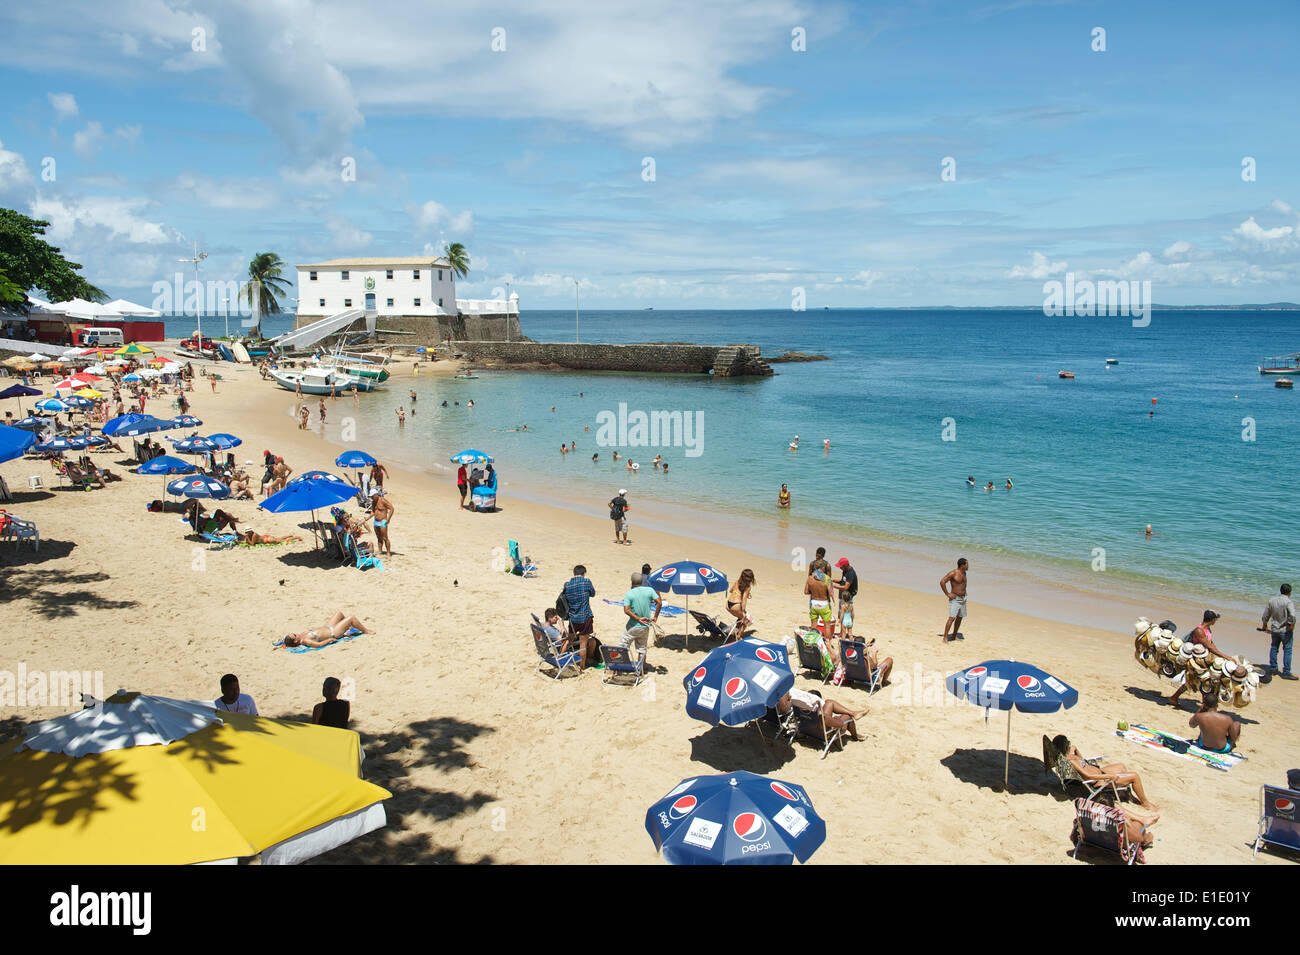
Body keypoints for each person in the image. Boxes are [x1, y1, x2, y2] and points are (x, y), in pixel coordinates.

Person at [1053, 735, 1159, 811]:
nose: (1070, 744)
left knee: (1121, 766)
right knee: (1135, 776)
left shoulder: (1068, 756)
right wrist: (1109, 776)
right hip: (1099, 781)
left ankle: (1124, 790)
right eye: (1068, 743)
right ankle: (1145, 803)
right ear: (1065, 746)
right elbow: (1087, 775)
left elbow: (1083, 760)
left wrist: (1076, 750)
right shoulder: (1071, 761)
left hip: (1101, 772)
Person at [1168, 611, 1233, 705]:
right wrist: (1227, 657)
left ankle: (1175, 697)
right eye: (1216, 619)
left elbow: (1211, 643)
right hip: (1196, 659)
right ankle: (1203, 704)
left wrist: (1218, 654)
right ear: (1213, 620)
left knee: (1196, 680)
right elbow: (1209, 646)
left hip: (1203, 657)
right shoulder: (1199, 631)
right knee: (1201, 680)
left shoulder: (1208, 629)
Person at [777, 688, 868, 741]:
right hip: (823, 734)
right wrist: (840, 722)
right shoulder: (822, 716)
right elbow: (838, 724)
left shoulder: (799, 710)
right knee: (848, 717)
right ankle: (855, 736)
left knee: (829, 703)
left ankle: (853, 713)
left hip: (806, 729)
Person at [622, 572, 662, 664]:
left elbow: (626, 610)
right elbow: (659, 603)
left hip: (632, 625)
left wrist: (637, 618)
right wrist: (655, 616)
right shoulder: (650, 590)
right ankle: (641, 670)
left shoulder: (629, 593)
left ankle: (619, 668)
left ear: (632, 582)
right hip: (645, 626)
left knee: (623, 646)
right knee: (642, 649)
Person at [1259, 583, 1296, 679]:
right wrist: (1291, 625)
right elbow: (1292, 615)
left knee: (1274, 648)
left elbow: (1266, 614)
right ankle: (1286, 672)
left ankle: (1273, 669)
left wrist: (1264, 625)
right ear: (1290, 592)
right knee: (1287, 650)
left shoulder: (1272, 601)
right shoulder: (1288, 602)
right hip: (1285, 630)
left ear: (1281, 591)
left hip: (1274, 629)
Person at [283, 611, 375, 649]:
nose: (296, 634)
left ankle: (347, 628)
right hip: (333, 633)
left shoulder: (302, 635)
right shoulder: (306, 641)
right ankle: (366, 631)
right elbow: (318, 645)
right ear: (295, 641)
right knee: (351, 618)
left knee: (339, 613)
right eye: (294, 635)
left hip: (328, 626)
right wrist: (329, 640)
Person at [563, 563, 598, 652]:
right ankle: (582, 666)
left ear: (574, 573)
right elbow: (593, 594)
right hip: (585, 617)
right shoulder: (586, 582)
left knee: (569, 640)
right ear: (584, 573)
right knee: (583, 644)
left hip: (573, 617)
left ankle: (559, 658)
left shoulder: (567, 585)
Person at [939, 557, 968, 642]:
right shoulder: (953, 573)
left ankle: (954, 635)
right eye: (967, 564)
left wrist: (965, 593)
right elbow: (942, 581)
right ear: (962, 565)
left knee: (960, 617)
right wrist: (947, 594)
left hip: (963, 599)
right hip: (955, 599)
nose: (968, 566)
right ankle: (945, 637)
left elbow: (963, 585)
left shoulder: (964, 573)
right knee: (952, 618)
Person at [805, 567, 834, 637]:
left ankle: (812, 640)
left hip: (814, 603)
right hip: (824, 604)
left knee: (814, 624)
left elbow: (806, 592)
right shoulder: (826, 580)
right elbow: (830, 594)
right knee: (827, 625)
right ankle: (827, 642)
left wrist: (813, 591)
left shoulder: (810, 579)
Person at [832, 557, 858, 636]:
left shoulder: (850, 573)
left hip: (847, 597)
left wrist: (834, 586)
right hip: (842, 596)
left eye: (841, 566)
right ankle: (841, 632)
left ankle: (843, 633)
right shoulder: (845, 571)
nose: (840, 568)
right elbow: (843, 580)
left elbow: (846, 587)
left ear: (846, 565)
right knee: (841, 613)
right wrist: (834, 580)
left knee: (844, 614)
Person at [726, 569, 755, 637]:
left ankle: (735, 630)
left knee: (740, 617)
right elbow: (744, 600)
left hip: (728, 605)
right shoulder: (748, 587)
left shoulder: (737, 582)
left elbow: (731, 590)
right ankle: (739, 636)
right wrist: (744, 611)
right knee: (747, 620)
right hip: (736, 606)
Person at [370, 489, 394, 557]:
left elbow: (392, 508)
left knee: (385, 538)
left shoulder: (383, 500)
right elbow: (373, 512)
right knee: (379, 537)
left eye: (372, 496)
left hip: (383, 521)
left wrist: (388, 519)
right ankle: (380, 551)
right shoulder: (373, 502)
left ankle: (388, 552)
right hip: (376, 521)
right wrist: (367, 518)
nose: (371, 498)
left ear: (376, 495)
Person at [238, 530, 303, 545]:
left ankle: (296, 537)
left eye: (247, 532)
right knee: (279, 538)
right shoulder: (251, 534)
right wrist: (238, 542)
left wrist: (246, 537)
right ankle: (289, 535)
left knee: (282, 541)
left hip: (268, 540)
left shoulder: (254, 535)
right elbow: (246, 542)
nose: (246, 533)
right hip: (266, 537)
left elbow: (252, 543)